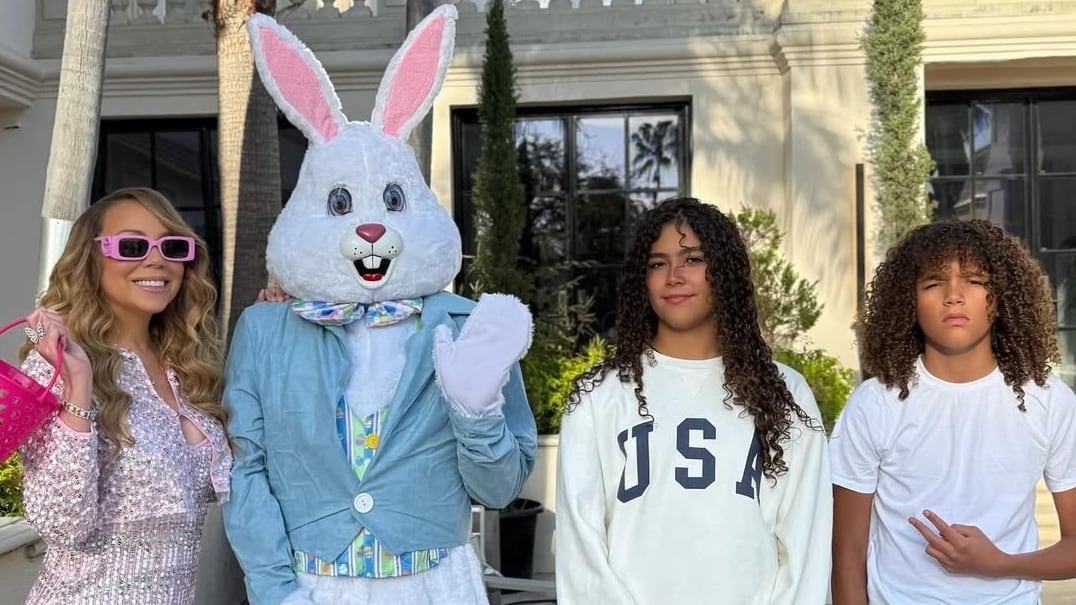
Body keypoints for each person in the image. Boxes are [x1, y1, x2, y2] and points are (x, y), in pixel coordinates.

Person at [555, 197, 831, 605]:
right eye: (657, 263)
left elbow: (805, 540)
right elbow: (580, 544)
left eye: (693, 259)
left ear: (724, 272)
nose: (673, 276)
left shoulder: (783, 392)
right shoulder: (599, 395)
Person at [830, 219, 1076, 604]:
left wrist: (998, 564)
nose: (954, 296)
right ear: (908, 302)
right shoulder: (874, 404)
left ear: (1001, 299)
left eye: (975, 281)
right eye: (933, 283)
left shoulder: (1048, 400)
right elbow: (846, 554)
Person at [17, 187, 231, 605]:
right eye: (132, 246)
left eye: (172, 247)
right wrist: (79, 386)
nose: (157, 260)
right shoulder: (56, 366)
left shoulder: (186, 367)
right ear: (90, 261)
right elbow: (61, 524)